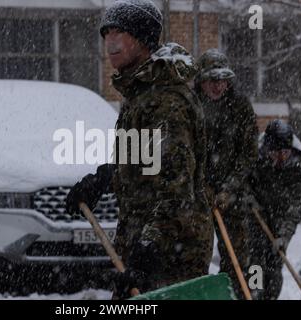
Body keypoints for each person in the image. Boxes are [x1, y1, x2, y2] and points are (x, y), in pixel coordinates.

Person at [66, 0, 213, 299]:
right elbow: (143, 158)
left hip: (171, 255)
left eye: (120, 32)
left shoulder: (166, 101)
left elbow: (177, 191)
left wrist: (147, 250)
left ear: (143, 39)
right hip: (144, 242)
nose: (110, 42)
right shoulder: (140, 93)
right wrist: (103, 179)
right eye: (106, 34)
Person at [195, 49, 259, 298]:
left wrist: (229, 188)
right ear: (201, 80)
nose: (218, 86)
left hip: (232, 194)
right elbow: (186, 152)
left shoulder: (240, 106)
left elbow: (249, 153)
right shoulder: (191, 105)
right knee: (195, 257)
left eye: (222, 80)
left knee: (236, 256)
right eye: (212, 80)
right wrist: (203, 186)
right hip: (198, 195)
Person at [249, 119, 301, 300]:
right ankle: (253, 294)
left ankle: (270, 298)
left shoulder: (297, 169)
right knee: (256, 263)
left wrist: (284, 236)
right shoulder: (256, 160)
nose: (281, 158)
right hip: (255, 218)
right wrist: (248, 198)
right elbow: (242, 183)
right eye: (276, 153)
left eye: (285, 153)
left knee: (274, 269)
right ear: (267, 150)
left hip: (280, 221)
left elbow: (296, 207)